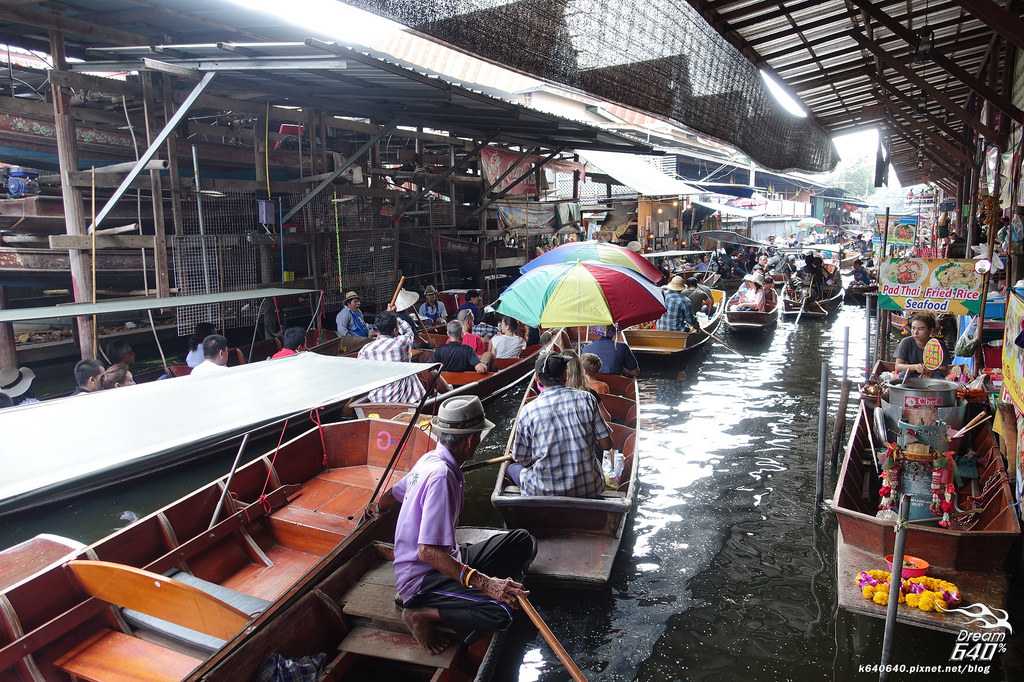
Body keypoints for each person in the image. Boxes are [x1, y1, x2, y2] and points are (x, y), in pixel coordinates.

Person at [368, 395, 534, 654]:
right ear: (470, 440)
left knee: (522, 540)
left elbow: (393, 495)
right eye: (477, 437)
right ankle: (420, 614)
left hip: (448, 556)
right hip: (424, 576)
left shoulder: (431, 460)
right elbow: (428, 552)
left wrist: (376, 507)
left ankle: (482, 588)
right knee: (501, 613)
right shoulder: (442, 475)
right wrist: (486, 583)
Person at [507, 352, 614, 497]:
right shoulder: (587, 398)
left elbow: (522, 459)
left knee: (512, 467)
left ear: (538, 379)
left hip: (543, 492)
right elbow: (607, 444)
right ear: (565, 375)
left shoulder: (528, 410)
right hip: (590, 488)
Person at [359, 312, 449, 402]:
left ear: (377, 330)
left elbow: (363, 374)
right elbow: (408, 331)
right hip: (406, 400)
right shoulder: (401, 342)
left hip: (378, 399)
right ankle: (448, 394)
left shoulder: (365, 350)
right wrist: (394, 316)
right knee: (432, 373)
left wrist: (389, 315)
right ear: (395, 330)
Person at [894, 313, 949, 379]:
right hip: (911, 375)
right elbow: (898, 366)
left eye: (920, 329)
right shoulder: (906, 342)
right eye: (913, 328)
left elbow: (944, 369)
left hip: (932, 376)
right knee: (903, 376)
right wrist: (915, 367)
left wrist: (930, 371)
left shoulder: (939, 344)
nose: (915, 332)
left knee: (939, 378)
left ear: (930, 330)